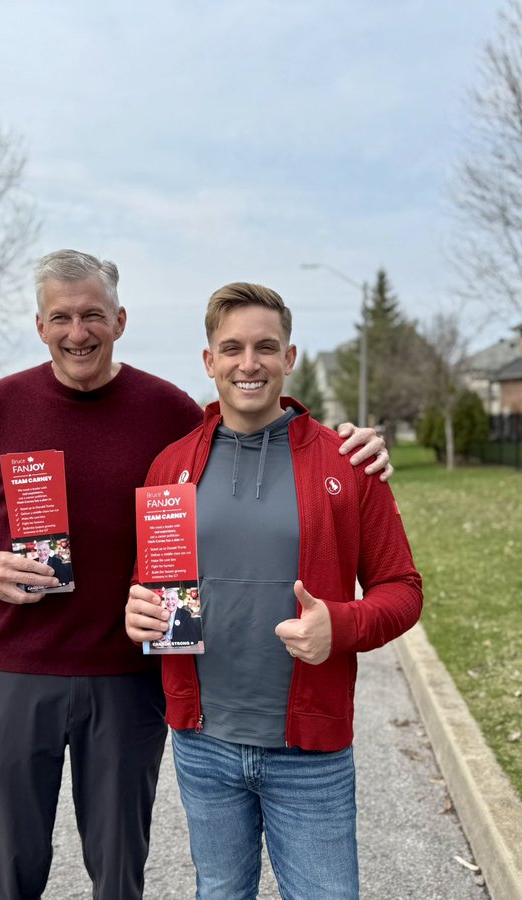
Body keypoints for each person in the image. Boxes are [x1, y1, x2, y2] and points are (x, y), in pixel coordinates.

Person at [0, 250, 392, 900]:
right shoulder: (1, 406)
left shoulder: (167, 412)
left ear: (119, 319)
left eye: (92, 314)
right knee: (8, 868)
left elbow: (255, 427)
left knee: (119, 873)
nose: (77, 331)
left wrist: (350, 445)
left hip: (126, 680)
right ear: (39, 325)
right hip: (15, 670)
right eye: (61, 316)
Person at [125, 282, 423, 900]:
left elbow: (402, 589)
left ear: (290, 358)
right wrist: (139, 611)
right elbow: (152, 585)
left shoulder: (347, 463)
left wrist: (339, 626)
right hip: (203, 744)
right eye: (231, 348)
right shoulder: (170, 466)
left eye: (266, 346)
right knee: (221, 892)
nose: (248, 362)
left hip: (308, 753)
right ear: (209, 361)